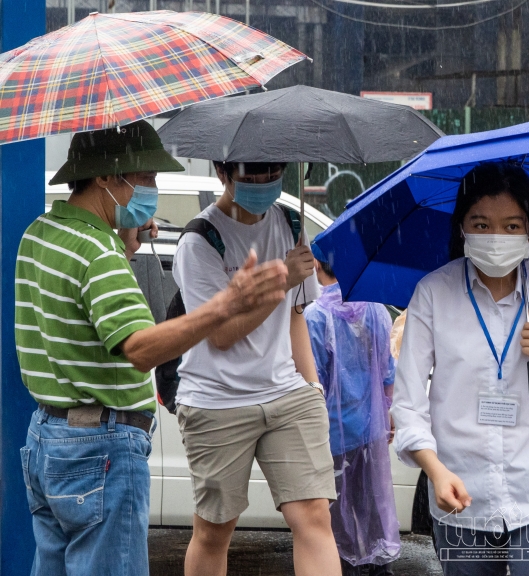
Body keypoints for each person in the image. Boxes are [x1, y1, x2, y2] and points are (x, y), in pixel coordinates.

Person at [16, 121, 289, 576]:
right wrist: (225, 304)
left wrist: (126, 239)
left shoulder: (41, 233)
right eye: (146, 178)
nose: (154, 190)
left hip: (48, 440)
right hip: (99, 450)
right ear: (106, 178)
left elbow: (81, 317)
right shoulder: (96, 254)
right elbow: (141, 349)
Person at [390, 161, 529, 576]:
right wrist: (435, 471)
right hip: (460, 494)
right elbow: (408, 405)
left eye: (511, 225)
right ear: (462, 227)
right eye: (481, 225)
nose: (496, 238)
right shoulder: (433, 292)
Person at [172, 160, 342, 576]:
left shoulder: (290, 220)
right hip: (217, 402)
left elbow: (296, 316)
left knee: (315, 517)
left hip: (287, 393)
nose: (264, 182)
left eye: (272, 171)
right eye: (252, 172)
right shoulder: (199, 240)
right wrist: (281, 279)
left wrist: (313, 387)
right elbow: (221, 333)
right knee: (215, 530)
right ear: (222, 172)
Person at [305, 248, 401, 575]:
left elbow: (312, 383)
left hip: (329, 438)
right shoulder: (376, 310)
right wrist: (386, 415)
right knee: (372, 521)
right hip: (371, 432)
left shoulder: (315, 316)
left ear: (317, 264)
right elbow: (388, 373)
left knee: (332, 529)